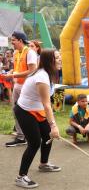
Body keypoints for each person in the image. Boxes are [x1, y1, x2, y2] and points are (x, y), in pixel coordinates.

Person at [12, 49, 61, 188]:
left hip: (37, 110)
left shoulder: (48, 74)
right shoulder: (42, 76)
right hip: (25, 111)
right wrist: (53, 125)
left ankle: (44, 164)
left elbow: (46, 102)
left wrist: (52, 126)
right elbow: (46, 104)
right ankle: (21, 177)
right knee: (34, 143)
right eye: (57, 57)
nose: (60, 59)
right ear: (49, 61)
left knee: (48, 136)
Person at [3, 32, 38, 147]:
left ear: (20, 40)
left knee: (27, 112)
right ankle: (21, 136)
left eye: (13, 40)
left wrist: (13, 75)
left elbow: (32, 70)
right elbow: (16, 68)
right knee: (16, 111)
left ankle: (32, 136)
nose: (11, 42)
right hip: (17, 85)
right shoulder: (16, 52)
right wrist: (11, 72)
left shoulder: (30, 52)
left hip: (27, 86)